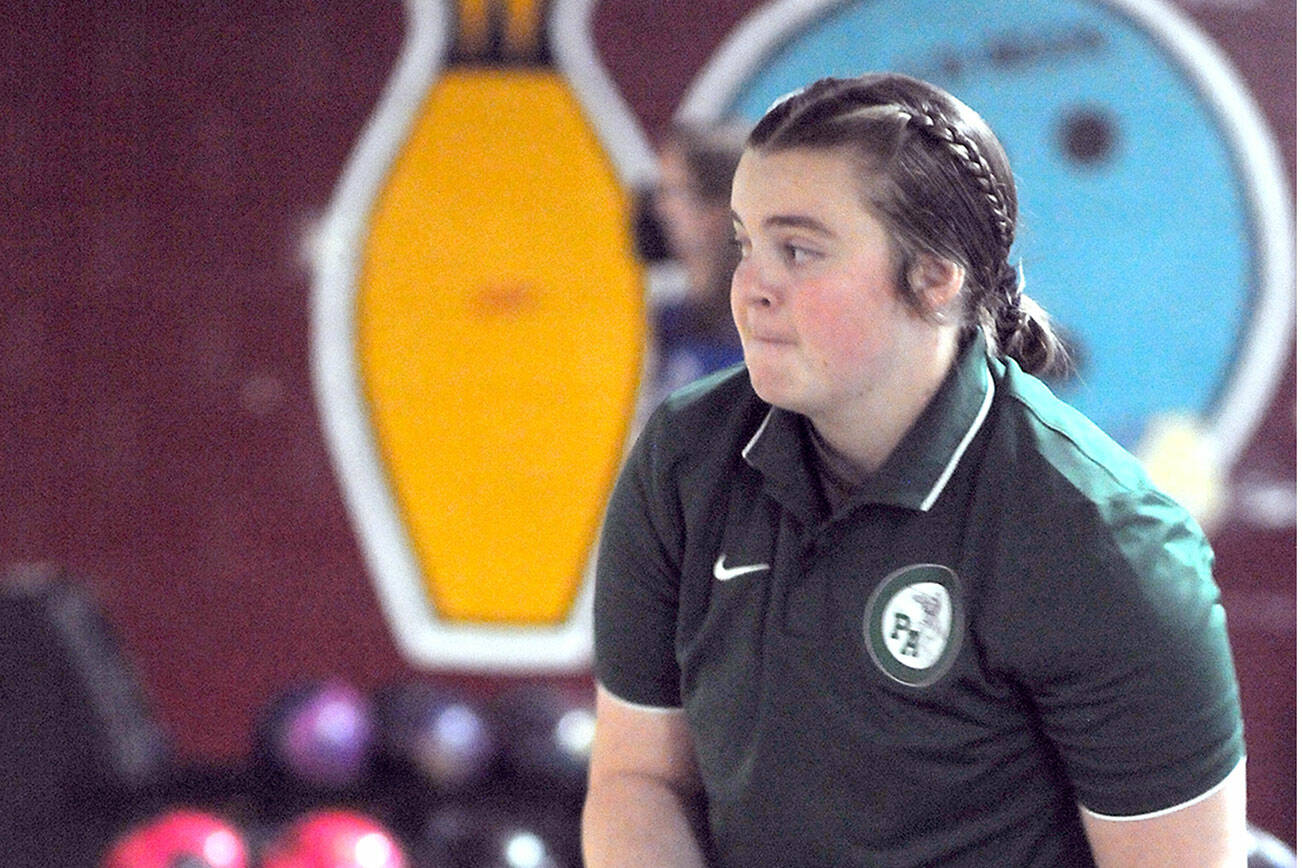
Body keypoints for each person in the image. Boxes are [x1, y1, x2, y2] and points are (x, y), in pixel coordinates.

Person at [582, 73, 1246, 866]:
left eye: (798, 250)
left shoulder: (1105, 542)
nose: (751, 288)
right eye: (746, 243)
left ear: (934, 277)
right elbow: (638, 780)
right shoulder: (683, 461)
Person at [642, 122, 749, 407]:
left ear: (718, 208)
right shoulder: (667, 321)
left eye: (672, 191)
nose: (659, 208)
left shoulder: (759, 326)